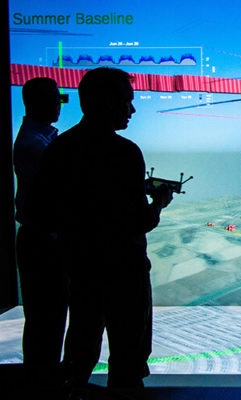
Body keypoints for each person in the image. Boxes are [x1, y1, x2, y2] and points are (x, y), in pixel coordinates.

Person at [25, 67, 172, 388]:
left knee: (79, 358)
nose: (132, 110)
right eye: (127, 101)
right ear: (107, 102)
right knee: (129, 365)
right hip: (126, 274)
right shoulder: (125, 153)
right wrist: (159, 201)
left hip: (81, 273)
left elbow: (38, 212)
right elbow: (140, 223)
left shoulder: (59, 149)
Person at [13, 77, 68, 388]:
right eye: (53, 99)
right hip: (43, 244)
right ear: (34, 103)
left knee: (43, 322)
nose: (58, 105)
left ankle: (40, 383)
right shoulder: (37, 145)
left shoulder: (37, 139)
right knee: (46, 323)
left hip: (40, 241)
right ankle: (41, 386)